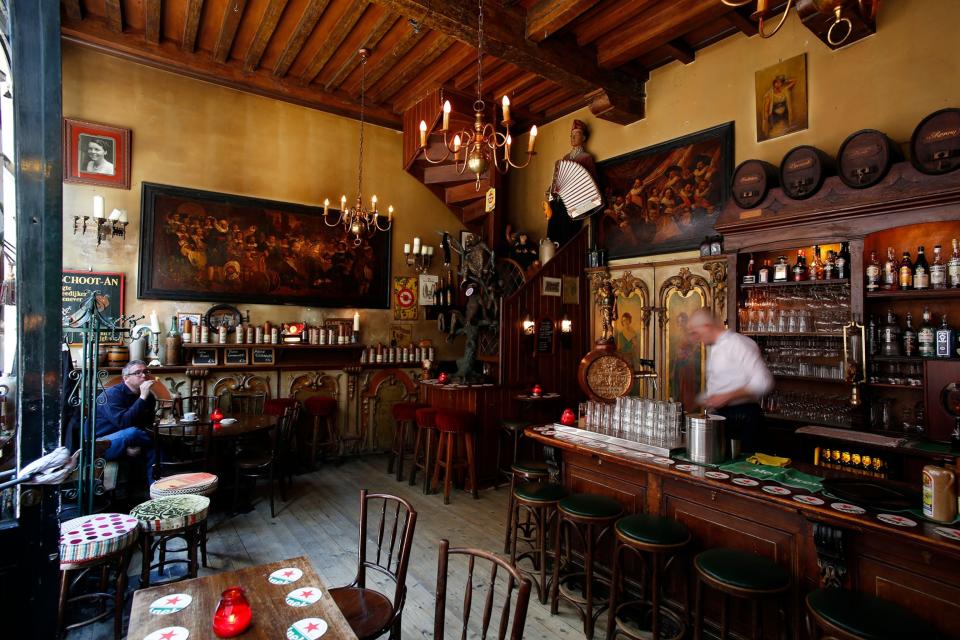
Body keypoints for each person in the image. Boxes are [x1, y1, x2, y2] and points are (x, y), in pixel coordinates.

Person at [686, 309, 773, 454]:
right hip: (723, 418)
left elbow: (763, 381)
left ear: (707, 326)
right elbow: (723, 384)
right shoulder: (714, 347)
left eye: (696, 333)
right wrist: (702, 399)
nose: (695, 338)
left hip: (745, 420)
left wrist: (727, 396)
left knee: (742, 471)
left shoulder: (739, 343)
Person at [95, 359, 158, 482]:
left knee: (155, 447)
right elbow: (124, 423)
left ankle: (155, 491)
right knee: (133, 433)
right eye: (138, 373)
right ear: (126, 378)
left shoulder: (149, 397)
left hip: (129, 440)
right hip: (101, 443)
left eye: (146, 371)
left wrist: (133, 444)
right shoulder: (111, 395)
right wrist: (142, 397)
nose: (144, 375)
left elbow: (146, 424)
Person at [761, 74, 798, 139]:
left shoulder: (784, 90)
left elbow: (794, 81)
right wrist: (769, 122)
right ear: (774, 83)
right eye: (777, 82)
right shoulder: (769, 95)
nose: (779, 84)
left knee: (787, 134)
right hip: (775, 119)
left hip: (784, 117)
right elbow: (766, 111)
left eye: (780, 82)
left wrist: (785, 81)